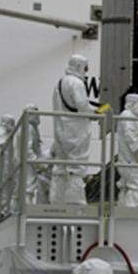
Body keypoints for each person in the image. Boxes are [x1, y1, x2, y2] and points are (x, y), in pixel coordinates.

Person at [50, 54, 97, 205]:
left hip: (61, 129)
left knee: (61, 168)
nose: (86, 71)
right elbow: (82, 106)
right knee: (76, 168)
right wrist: (96, 113)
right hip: (76, 131)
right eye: (85, 67)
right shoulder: (77, 83)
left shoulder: (60, 83)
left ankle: (57, 201)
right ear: (79, 66)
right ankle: (75, 203)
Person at [116, 92, 138, 208]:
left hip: (127, 157)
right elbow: (130, 136)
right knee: (134, 184)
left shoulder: (128, 116)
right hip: (131, 158)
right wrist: (137, 152)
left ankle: (123, 207)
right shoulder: (128, 116)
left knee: (126, 184)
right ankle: (131, 210)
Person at [24, 105, 49, 203]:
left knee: (30, 186)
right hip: (28, 163)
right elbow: (28, 149)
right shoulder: (28, 128)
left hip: (29, 162)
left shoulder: (30, 128)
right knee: (28, 187)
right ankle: (27, 207)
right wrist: (38, 163)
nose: (38, 116)